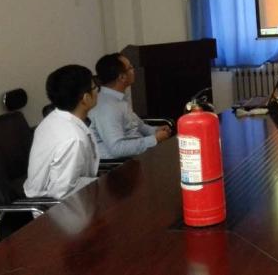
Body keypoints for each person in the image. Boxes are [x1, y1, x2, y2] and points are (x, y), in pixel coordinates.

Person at [24, 65, 100, 199]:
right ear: (85, 98)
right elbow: (62, 194)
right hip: (55, 207)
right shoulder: (73, 139)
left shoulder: (55, 117)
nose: (98, 91)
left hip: (75, 194)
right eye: (95, 88)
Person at [89, 53, 171, 159]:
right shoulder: (107, 107)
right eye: (130, 67)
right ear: (122, 77)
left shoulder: (118, 98)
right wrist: (154, 139)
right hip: (122, 163)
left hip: (137, 154)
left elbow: (139, 126)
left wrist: (155, 130)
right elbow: (117, 148)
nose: (133, 70)